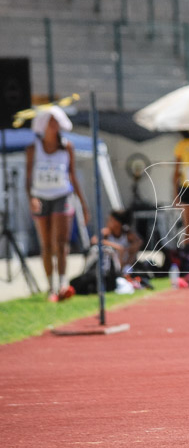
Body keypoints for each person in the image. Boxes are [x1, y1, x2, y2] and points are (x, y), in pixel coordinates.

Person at [25, 105, 88, 302]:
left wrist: (83, 205)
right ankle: (50, 286)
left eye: (57, 122)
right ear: (43, 124)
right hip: (41, 197)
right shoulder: (33, 148)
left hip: (62, 196)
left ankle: (63, 283)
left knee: (60, 243)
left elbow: (72, 176)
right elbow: (27, 178)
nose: (54, 126)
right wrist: (31, 198)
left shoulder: (67, 146)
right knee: (46, 244)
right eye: (50, 122)